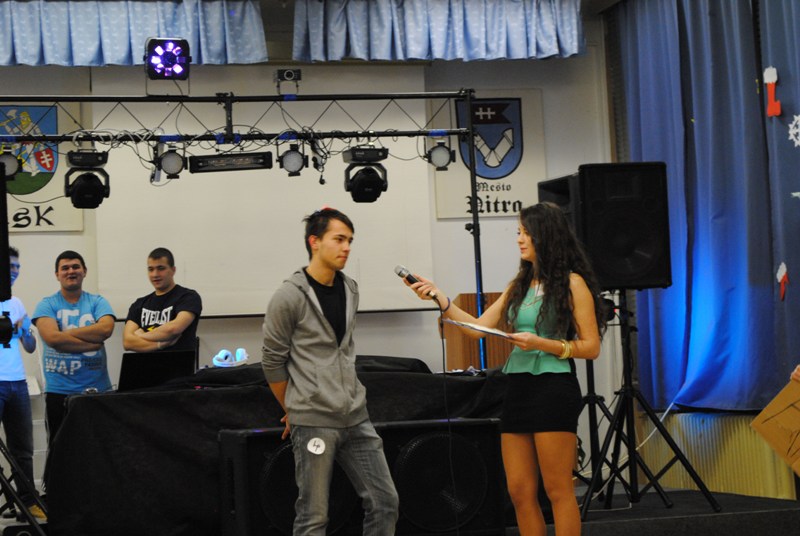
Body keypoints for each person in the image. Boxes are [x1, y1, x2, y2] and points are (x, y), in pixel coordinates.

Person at [404, 202, 607, 536]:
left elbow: (591, 347)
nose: (519, 239)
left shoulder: (573, 284)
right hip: (517, 388)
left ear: (546, 236)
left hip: (553, 388)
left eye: (526, 233)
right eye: (518, 232)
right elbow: (477, 329)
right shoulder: (519, 284)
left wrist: (542, 343)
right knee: (519, 491)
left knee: (557, 489)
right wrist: (440, 298)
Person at [261, 207, 399, 535]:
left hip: (356, 417)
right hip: (314, 423)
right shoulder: (288, 296)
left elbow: (343, 350)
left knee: (385, 501)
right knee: (314, 516)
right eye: (339, 239)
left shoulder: (350, 288)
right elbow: (272, 361)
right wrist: (293, 407)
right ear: (314, 242)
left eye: (350, 240)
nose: (346, 247)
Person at [33, 250, 115, 449]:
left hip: (97, 390)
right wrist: (91, 343)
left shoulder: (98, 302)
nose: (71, 271)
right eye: (65, 268)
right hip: (59, 392)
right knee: (61, 451)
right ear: (57, 274)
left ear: (84, 271)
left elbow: (106, 329)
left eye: (76, 267)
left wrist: (66, 334)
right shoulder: (47, 304)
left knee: (100, 450)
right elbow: (52, 339)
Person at [0, 247, 45, 520]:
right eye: (10, 267)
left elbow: (29, 346)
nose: (14, 272)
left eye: (17, 267)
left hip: (17, 383)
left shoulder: (17, 302)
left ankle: (27, 503)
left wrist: (25, 331)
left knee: (23, 449)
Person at [123, 247, 202, 352]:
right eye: (151, 269)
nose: (155, 274)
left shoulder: (188, 297)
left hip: (179, 362)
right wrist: (160, 344)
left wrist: (140, 335)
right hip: (145, 363)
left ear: (173, 270)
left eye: (161, 268)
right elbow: (127, 342)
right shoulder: (139, 304)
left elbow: (173, 329)